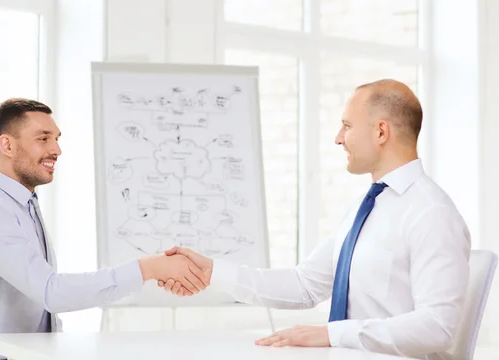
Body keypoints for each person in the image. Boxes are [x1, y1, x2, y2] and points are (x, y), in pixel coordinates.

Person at [158, 79, 471, 360]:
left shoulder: (432, 214)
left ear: (380, 131)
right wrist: (212, 272)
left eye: (347, 126)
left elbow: (437, 327)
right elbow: (305, 284)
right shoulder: (363, 208)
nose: (338, 138)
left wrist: (331, 335)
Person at [0, 98, 209, 360]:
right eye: (43, 139)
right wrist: (147, 268)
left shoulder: (25, 206)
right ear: (7, 145)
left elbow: (45, 314)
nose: (57, 150)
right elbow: (50, 292)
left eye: (57, 138)